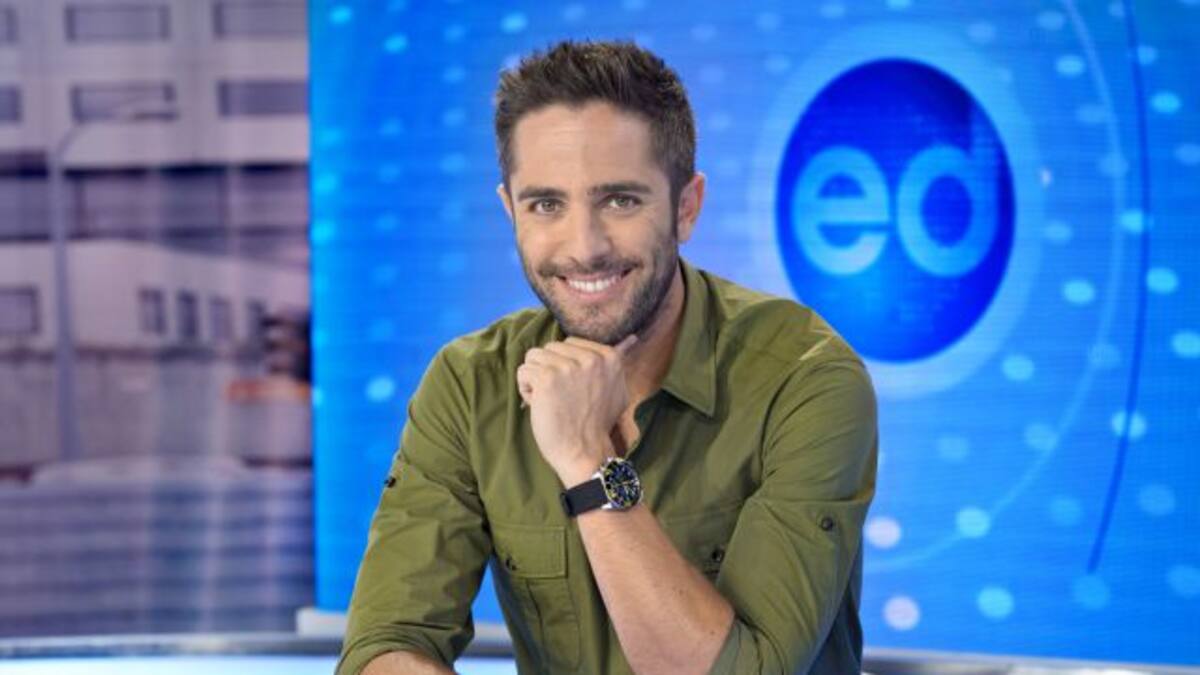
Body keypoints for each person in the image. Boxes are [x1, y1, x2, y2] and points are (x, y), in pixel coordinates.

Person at [337, 40, 877, 675]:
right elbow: (387, 642)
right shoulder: (470, 383)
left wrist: (588, 464)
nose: (584, 247)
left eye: (620, 200)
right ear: (511, 211)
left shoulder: (805, 378)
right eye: (546, 204)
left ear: (686, 208)